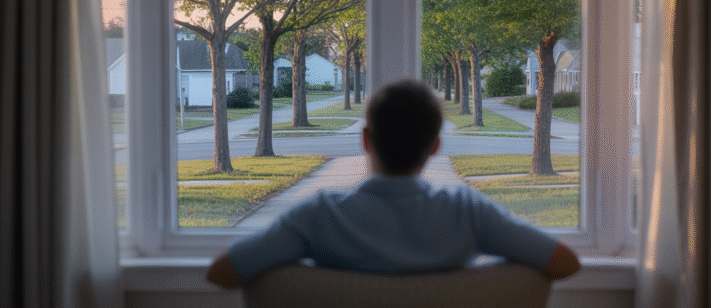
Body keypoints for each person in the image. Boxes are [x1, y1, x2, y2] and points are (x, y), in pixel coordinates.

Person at [205, 79, 581, 289]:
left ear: (365, 140)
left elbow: (223, 273)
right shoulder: (469, 212)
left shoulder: (319, 216)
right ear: (435, 147)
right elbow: (565, 263)